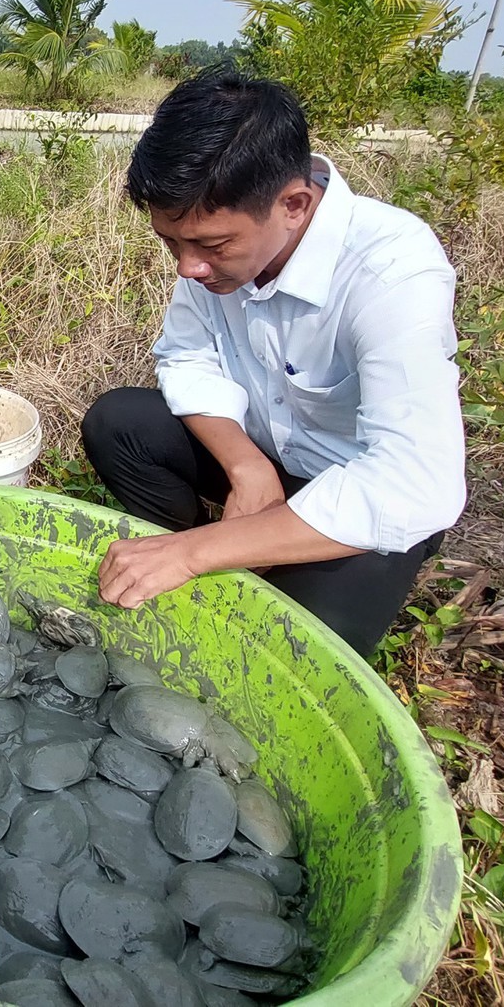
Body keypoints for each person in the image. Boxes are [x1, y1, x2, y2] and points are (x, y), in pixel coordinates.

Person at [80, 71, 465, 656]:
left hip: (350, 495)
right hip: (269, 456)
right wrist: (245, 467)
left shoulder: (392, 273)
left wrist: (199, 551)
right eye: (171, 243)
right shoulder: (212, 254)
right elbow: (186, 358)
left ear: (293, 204)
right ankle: (182, 566)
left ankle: (206, 559)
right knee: (119, 423)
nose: (188, 268)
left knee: (297, 649)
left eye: (210, 246)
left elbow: (411, 484)